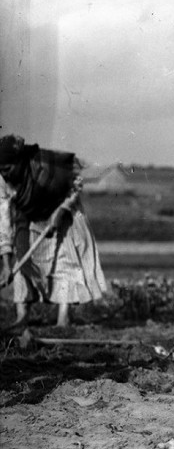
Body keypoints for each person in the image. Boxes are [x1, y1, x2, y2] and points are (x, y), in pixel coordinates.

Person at [0, 133, 109, 328]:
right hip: (28, 218)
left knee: (63, 263)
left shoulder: (45, 165)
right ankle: (22, 315)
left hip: (61, 214)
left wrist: (61, 211)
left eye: (7, 168)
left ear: (19, 162)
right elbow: (4, 219)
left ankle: (63, 318)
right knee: (22, 262)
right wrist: (6, 262)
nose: (5, 174)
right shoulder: (2, 181)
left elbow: (75, 185)